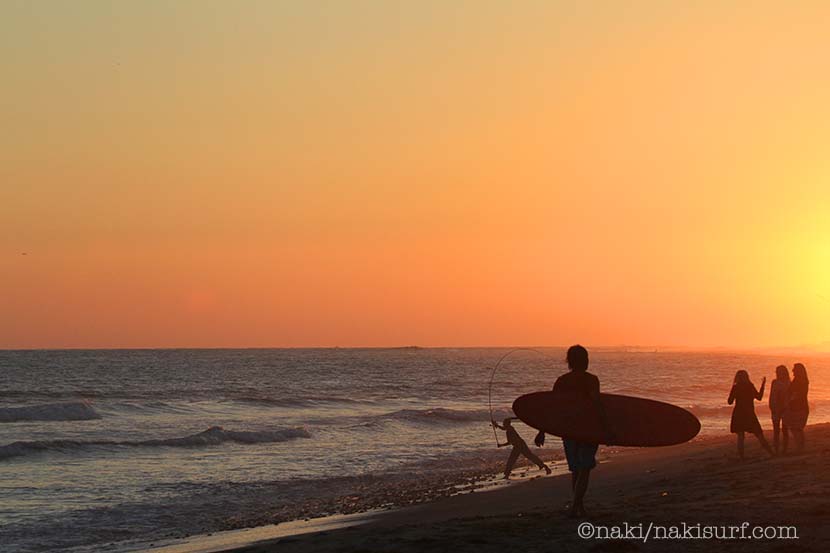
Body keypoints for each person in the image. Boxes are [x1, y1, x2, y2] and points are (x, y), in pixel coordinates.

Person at [534, 345, 611, 518]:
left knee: (577, 469)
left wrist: (542, 430)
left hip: (569, 431)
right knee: (584, 469)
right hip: (588, 430)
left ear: (569, 361)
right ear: (585, 360)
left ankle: (578, 507)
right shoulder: (592, 380)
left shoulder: (562, 381)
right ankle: (575, 507)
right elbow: (597, 404)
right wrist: (606, 428)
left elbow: (552, 408)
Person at [728, 370, 773, 459]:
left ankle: (742, 457)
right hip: (749, 413)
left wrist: (733, 393)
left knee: (741, 437)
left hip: (739, 413)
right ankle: (771, 453)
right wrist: (763, 385)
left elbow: (730, 402)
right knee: (759, 434)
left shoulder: (736, 387)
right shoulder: (750, 386)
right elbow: (759, 397)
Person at [784, 363, 809, 453]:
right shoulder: (801, 380)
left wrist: (790, 400)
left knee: (796, 428)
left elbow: (797, 394)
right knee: (797, 428)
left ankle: (800, 447)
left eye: (794, 369)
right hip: (799, 407)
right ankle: (800, 447)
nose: (792, 370)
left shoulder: (799, 380)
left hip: (799, 407)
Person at [768, 365, 790, 454]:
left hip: (785, 409)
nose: (777, 373)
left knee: (785, 430)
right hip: (776, 409)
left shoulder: (788, 382)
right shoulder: (775, 382)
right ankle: (776, 449)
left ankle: (784, 449)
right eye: (776, 372)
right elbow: (772, 396)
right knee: (776, 431)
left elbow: (788, 397)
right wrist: (771, 406)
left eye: (779, 372)